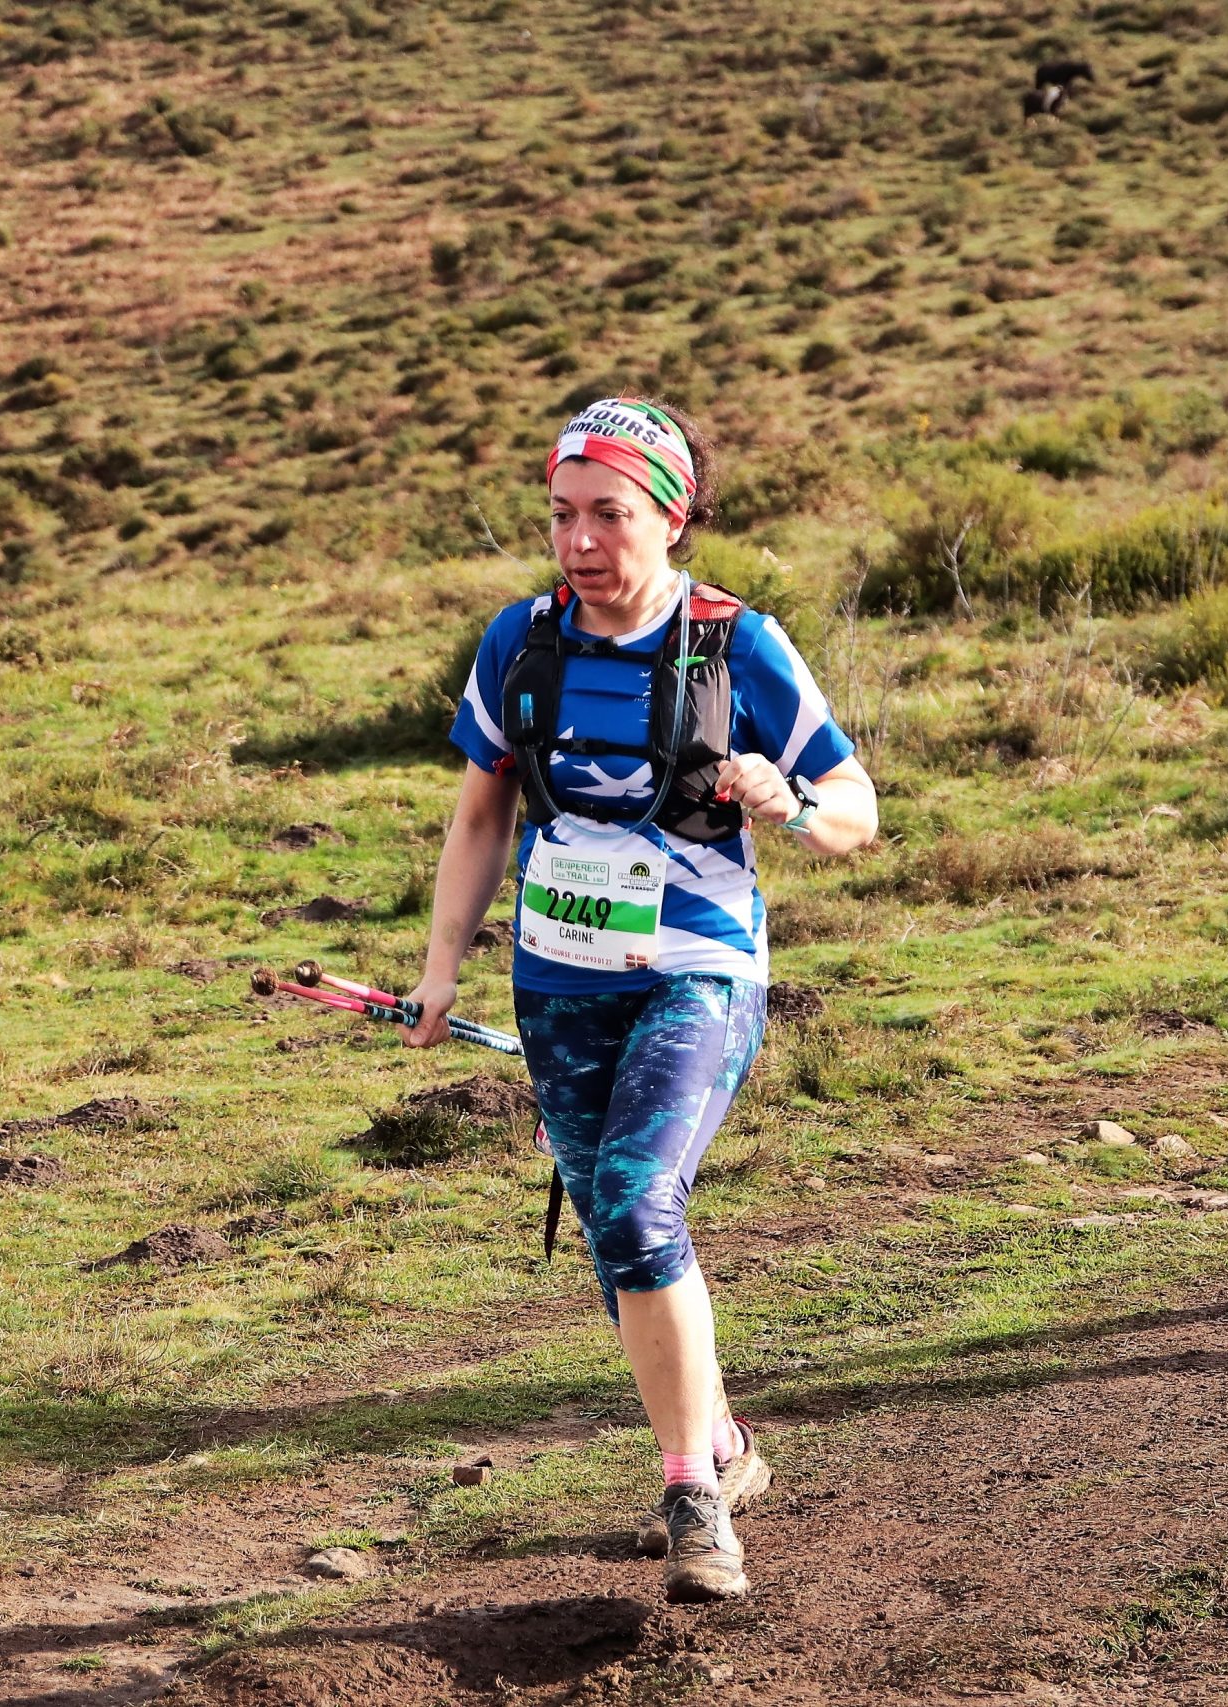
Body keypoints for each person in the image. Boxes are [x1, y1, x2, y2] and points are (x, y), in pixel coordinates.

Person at [403, 396, 878, 1601]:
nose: (580, 541)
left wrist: (789, 804)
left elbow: (855, 812)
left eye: (608, 515)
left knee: (629, 1199)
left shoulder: (737, 646)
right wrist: (441, 967)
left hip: (698, 969)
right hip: (556, 981)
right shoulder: (519, 642)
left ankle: (691, 1496)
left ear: (671, 517)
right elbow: (480, 817)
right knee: (621, 1238)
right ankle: (720, 1439)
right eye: (561, 515)